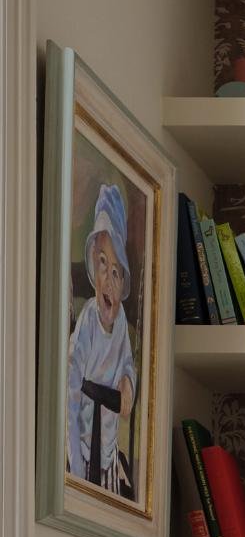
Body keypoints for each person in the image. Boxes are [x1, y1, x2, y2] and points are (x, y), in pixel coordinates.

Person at [64, 182, 138, 498]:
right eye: (102, 264)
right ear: (94, 266)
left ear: (123, 283)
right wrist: (77, 474)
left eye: (116, 272)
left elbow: (127, 363)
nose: (108, 279)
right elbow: (71, 388)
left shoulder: (120, 324)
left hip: (107, 446)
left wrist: (128, 383)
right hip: (82, 445)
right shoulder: (88, 321)